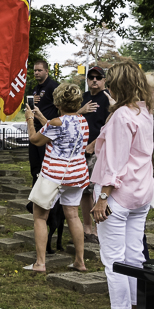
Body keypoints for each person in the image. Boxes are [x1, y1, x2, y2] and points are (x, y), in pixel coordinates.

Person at [85, 61, 154, 309]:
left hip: (117, 197)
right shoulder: (147, 112)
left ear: (117, 85)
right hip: (141, 194)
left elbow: (114, 162)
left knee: (114, 259)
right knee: (135, 255)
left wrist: (102, 198)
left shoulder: (122, 116)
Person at [24, 83, 89, 273]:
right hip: (77, 175)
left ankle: (40, 263)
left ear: (58, 101)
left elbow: (35, 139)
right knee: (73, 215)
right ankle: (80, 261)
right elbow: (61, 131)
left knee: (40, 216)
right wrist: (41, 117)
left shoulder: (56, 123)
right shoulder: (82, 121)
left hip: (54, 175)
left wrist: (30, 119)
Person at [77, 65, 111, 243]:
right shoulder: (83, 98)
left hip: (99, 151)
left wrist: (93, 144)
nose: (95, 80)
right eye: (91, 77)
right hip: (80, 151)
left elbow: (110, 127)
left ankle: (99, 230)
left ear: (104, 80)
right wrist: (80, 111)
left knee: (96, 190)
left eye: (98, 77)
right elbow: (69, 117)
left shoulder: (108, 99)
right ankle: (87, 228)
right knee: (84, 191)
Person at [28, 60, 59, 185]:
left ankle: (47, 196)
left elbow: (60, 106)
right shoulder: (36, 88)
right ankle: (35, 195)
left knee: (44, 163)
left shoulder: (53, 86)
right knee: (34, 163)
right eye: (35, 70)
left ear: (46, 71)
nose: (36, 73)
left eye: (39, 70)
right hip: (35, 127)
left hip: (47, 128)